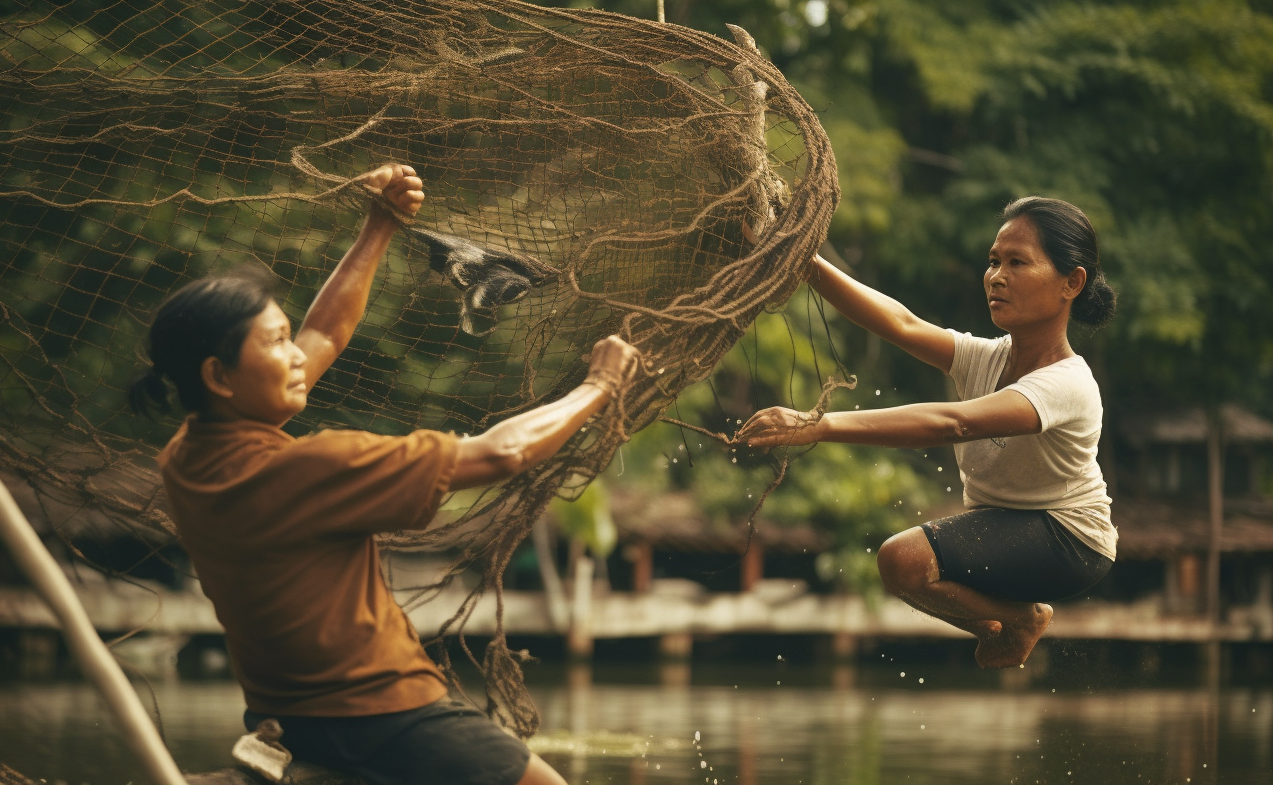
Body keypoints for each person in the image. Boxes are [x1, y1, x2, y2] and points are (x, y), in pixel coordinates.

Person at [128, 163, 638, 785]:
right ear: (218, 376)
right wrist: (600, 384)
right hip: (380, 713)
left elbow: (323, 333)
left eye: (289, 338)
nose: (297, 356)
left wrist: (381, 225)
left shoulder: (187, 455)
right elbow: (499, 455)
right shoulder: (308, 467)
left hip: (283, 715)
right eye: (276, 343)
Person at [735, 197, 1117, 668]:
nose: (997, 276)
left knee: (905, 559)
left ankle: (1021, 621)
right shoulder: (987, 357)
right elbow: (900, 323)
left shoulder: (1068, 384)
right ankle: (1012, 622)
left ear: (1071, 283)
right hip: (1007, 522)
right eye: (994, 261)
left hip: (1070, 542)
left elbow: (954, 423)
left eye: (1018, 263)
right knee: (902, 568)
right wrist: (800, 262)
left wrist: (819, 424)